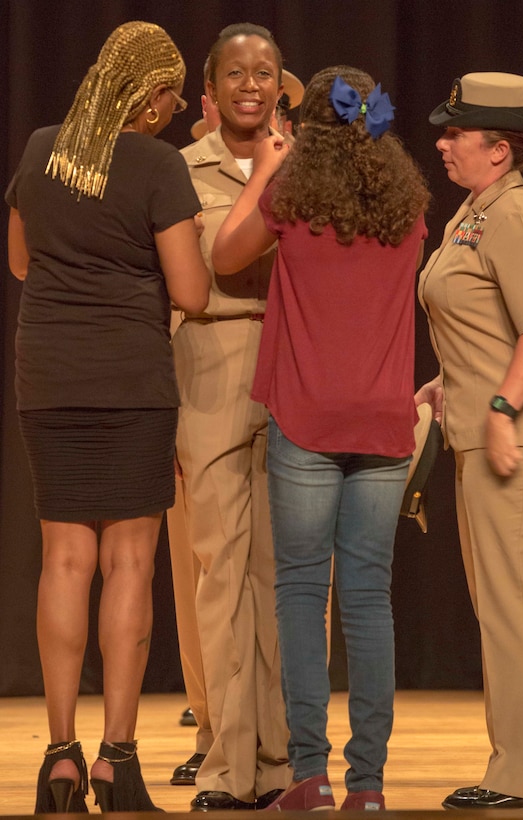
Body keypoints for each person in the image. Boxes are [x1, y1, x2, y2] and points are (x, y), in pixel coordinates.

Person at [5, 21, 210, 813]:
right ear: (145, 94)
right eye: (172, 88)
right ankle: (116, 762)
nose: (178, 103)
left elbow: (22, 261)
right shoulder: (157, 164)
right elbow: (191, 292)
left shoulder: (41, 149)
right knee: (129, 564)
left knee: (63, 561)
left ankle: (58, 757)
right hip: (130, 379)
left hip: (48, 377)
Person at [212, 64, 430, 811]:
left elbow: (224, 256)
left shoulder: (290, 201)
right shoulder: (410, 212)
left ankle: (310, 777)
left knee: (303, 595)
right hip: (381, 424)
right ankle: (368, 788)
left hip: (305, 420)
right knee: (369, 600)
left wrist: (268, 166)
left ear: (310, 129)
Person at [415, 72, 523, 810]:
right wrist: (447, 381)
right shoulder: (476, 210)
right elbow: (483, 323)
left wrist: (498, 404)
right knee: (507, 605)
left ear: (500, 147)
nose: (442, 142)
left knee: (518, 604)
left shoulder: (516, 215)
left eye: (456, 132)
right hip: (486, 428)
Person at [166, 23, 294, 811]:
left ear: (282, 85)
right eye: (237, 73)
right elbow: (218, 262)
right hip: (209, 369)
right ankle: (224, 758)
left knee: (283, 580)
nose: (252, 83)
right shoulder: (178, 170)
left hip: (291, 372)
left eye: (266, 71)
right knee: (221, 574)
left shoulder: (313, 169)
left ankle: (279, 760)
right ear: (211, 90)